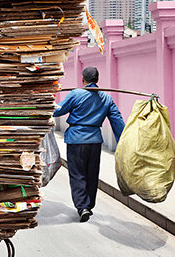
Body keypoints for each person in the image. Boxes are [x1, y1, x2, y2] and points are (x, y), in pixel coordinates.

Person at [52, 66, 125, 222]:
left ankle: (82, 206)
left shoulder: (75, 94)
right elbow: (117, 121)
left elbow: (58, 111)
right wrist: (123, 143)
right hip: (94, 141)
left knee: (77, 173)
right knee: (92, 174)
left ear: (82, 79)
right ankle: (89, 205)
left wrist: (47, 101)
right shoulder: (106, 98)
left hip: (76, 140)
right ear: (97, 80)